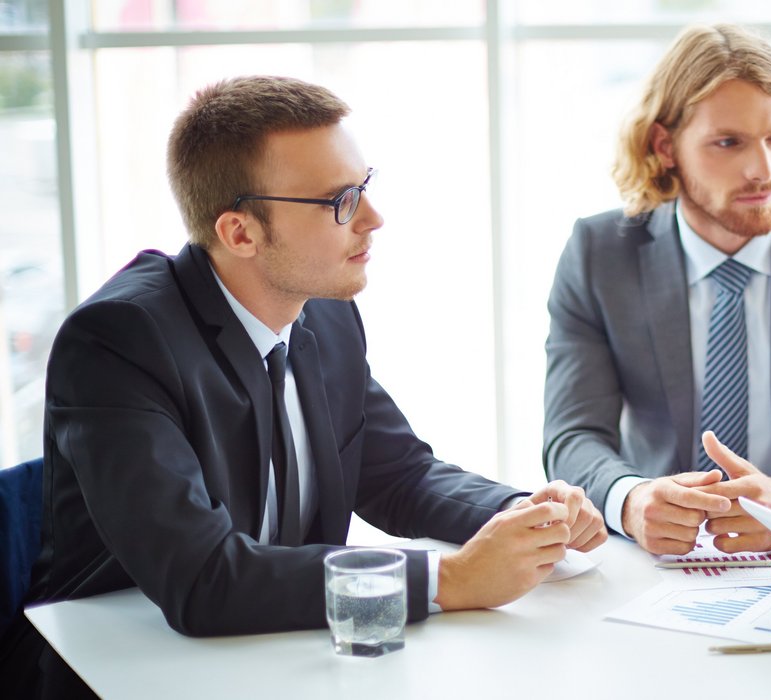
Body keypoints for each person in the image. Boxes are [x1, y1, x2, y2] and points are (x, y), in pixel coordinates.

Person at [1, 75, 605, 699]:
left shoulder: (323, 311)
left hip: (283, 656)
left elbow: (399, 474)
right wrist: (448, 580)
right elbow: (202, 580)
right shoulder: (119, 340)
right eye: (341, 201)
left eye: (365, 186)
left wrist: (525, 516)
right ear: (240, 233)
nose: (373, 218)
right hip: (121, 674)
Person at [543, 24, 771, 556]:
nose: (764, 170)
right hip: (656, 553)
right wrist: (631, 500)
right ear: (665, 145)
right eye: (729, 142)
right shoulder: (598, 253)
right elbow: (573, 434)